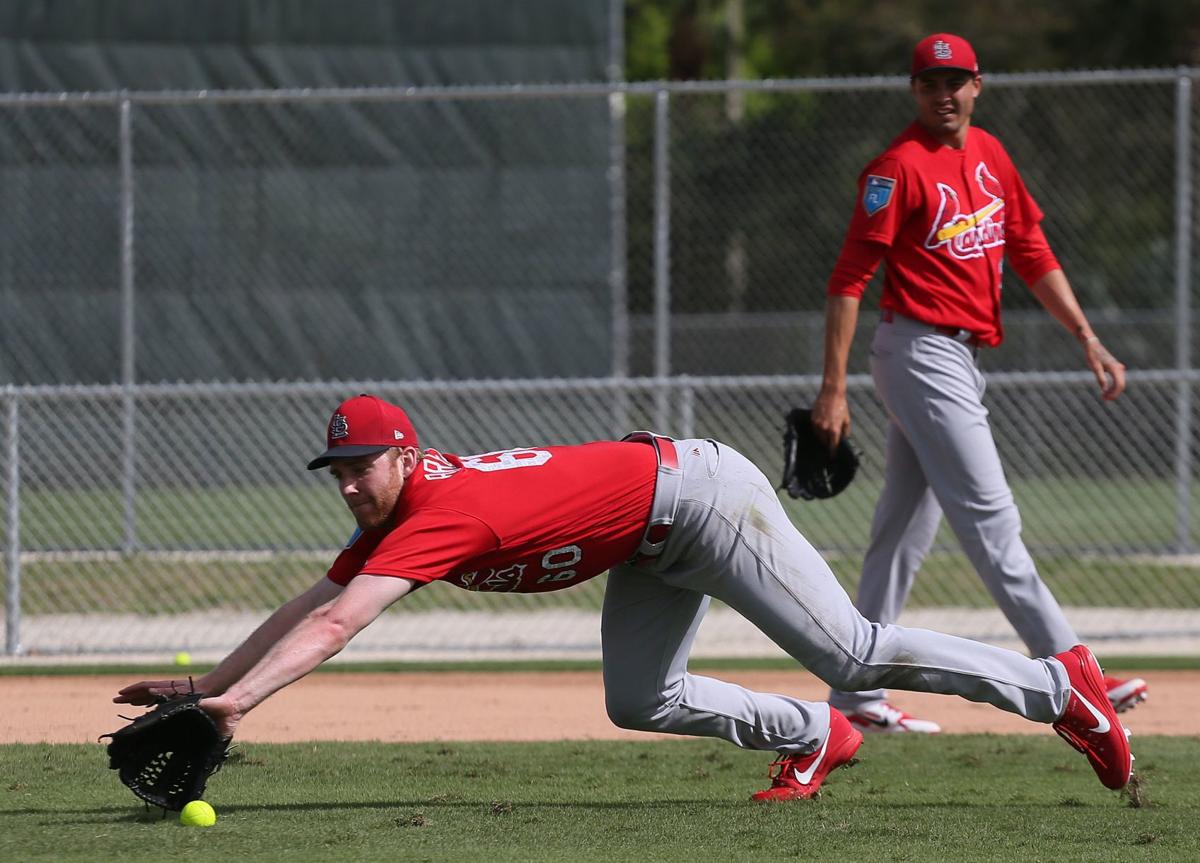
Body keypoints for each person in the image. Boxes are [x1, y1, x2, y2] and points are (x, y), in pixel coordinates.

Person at [115, 393, 1134, 800]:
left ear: (408, 452)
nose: (348, 482)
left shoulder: (437, 509)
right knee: (639, 696)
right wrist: (214, 678)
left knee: (857, 652)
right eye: (334, 468)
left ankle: (1059, 684)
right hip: (644, 532)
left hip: (698, 496)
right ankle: (812, 734)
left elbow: (340, 626)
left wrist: (241, 706)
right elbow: (312, 599)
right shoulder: (395, 513)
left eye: (361, 465)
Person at [812, 33, 1147, 736]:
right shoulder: (896, 169)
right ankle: (1072, 673)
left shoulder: (991, 155)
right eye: (930, 82)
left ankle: (854, 689)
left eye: (956, 80)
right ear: (914, 91)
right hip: (918, 350)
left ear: (977, 85)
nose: (945, 93)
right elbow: (848, 281)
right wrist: (833, 389)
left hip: (956, 357)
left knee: (902, 531)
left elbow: (1028, 248)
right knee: (993, 523)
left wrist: (1086, 334)